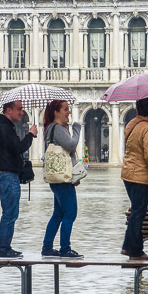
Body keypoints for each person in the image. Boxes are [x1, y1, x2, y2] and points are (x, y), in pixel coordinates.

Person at [0, 100, 38, 259]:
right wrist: (30, 134)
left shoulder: (2, 127)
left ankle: (4, 247)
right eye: (19, 109)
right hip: (6, 175)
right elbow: (18, 148)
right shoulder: (4, 128)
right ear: (8, 110)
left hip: (4, 175)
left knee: (9, 213)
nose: (22, 112)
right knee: (10, 214)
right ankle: (3, 249)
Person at [121, 97, 148, 260]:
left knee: (135, 211)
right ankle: (135, 250)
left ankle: (128, 247)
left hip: (127, 173)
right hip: (141, 176)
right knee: (138, 213)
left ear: (137, 110)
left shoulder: (130, 125)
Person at [41, 100, 83, 259]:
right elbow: (71, 145)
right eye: (66, 109)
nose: (69, 112)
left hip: (56, 177)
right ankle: (65, 248)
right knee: (71, 213)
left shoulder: (51, 129)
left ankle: (47, 247)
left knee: (58, 214)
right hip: (62, 179)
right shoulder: (57, 128)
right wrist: (77, 130)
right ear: (56, 112)